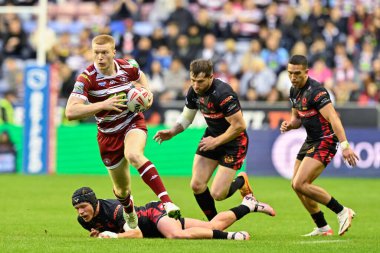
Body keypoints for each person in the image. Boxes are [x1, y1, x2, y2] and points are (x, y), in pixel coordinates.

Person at [65, 34, 181, 230]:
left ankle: (167, 202)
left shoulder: (127, 66)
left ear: (113, 53)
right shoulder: (86, 78)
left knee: (134, 154)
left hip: (131, 123)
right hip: (108, 136)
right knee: (122, 189)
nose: (100, 57)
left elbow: (140, 75)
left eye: (104, 53)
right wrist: (103, 104)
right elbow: (70, 111)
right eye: (96, 53)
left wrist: (147, 93)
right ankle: (129, 211)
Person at [153, 59, 275, 220]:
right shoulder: (193, 92)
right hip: (212, 138)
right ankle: (214, 222)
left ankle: (241, 181)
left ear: (211, 77)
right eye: (193, 81)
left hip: (234, 143)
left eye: (200, 81)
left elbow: (239, 125)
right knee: (196, 185)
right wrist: (172, 132)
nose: (196, 85)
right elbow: (187, 117)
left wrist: (216, 142)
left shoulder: (223, 94)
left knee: (218, 194)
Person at [280, 55, 359, 236]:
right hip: (311, 140)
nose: (293, 77)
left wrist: (345, 145)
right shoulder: (293, 90)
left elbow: (333, 118)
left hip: (326, 140)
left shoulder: (317, 91)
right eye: (290, 73)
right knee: (296, 185)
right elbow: (296, 119)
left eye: (297, 73)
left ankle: (341, 211)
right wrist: (289, 125)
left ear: (306, 72)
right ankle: (323, 227)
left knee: (301, 183)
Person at [72, 186, 273, 240]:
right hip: (155, 226)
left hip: (154, 214)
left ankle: (232, 237)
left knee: (176, 235)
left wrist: (112, 237)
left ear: (94, 203)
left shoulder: (114, 208)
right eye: (77, 209)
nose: (81, 212)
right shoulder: (85, 220)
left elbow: (136, 234)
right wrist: (99, 233)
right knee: (213, 226)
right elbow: (104, 229)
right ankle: (248, 204)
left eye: (83, 207)